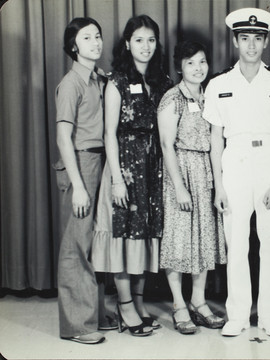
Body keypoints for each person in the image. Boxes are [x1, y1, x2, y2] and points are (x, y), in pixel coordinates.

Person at [203, 8, 270, 337]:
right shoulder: (219, 84)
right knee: (237, 243)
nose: (252, 45)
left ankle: (269, 315)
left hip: (269, 162)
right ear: (235, 41)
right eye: (245, 39)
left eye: (258, 39)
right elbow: (215, 138)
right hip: (235, 163)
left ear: (266, 41)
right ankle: (238, 314)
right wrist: (219, 187)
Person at [91, 15, 172, 337]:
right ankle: (125, 307)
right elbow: (109, 134)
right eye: (139, 40)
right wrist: (116, 180)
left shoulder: (162, 80)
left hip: (153, 168)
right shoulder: (118, 81)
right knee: (124, 238)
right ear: (127, 44)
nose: (146, 46)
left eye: (151, 40)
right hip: (125, 166)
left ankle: (138, 303)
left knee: (145, 236)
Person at [157, 40, 227, 335]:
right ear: (179, 67)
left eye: (202, 61)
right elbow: (165, 145)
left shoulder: (209, 96)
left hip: (205, 173)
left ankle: (198, 301)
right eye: (190, 63)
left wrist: (217, 182)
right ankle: (178, 304)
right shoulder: (172, 98)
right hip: (181, 172)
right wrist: (180, 188)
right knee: (179, 239)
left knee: (204, 239)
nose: (198, 68)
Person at [55, 17, 117, 345]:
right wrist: (78, 185)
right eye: (86, 37)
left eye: (97, 36)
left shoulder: (98, 79)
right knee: (76, 245)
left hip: (100, 161)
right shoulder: (71, 83)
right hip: (81, 163)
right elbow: (63, 136)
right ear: (74, 46)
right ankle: (78, 325)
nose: (95, 42)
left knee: (95, 243)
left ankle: (94, 313)